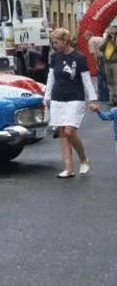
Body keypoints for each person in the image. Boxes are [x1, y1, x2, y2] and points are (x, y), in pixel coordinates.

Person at [44, 27, 100, 178]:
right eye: (53, 42)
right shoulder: (54, 57)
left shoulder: (79, 58)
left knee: (70, 131)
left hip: (75, 97)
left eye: (56, 42)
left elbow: (87, 80)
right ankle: (68, 168)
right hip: (57, 97)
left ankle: (83, 158)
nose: (54, 45)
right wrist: (47, 97)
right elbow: (51, 78)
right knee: (62, 132)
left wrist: (93, 99)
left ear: (65, 41)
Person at [88, 35, 110, 104]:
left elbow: (94, 53)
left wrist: (97, 64)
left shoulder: (91, 41)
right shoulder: (99, 38)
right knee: (106, 77)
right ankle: (107, 95)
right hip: (107, 57)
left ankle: (102, 96)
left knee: (100, 77)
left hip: (100, 59)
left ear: (87, 36)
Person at [103, 27, 117, 106]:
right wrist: (106, 41)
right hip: (107, 63)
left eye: (110, 33)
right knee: (110, 82)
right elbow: (100, 48)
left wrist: (113, 41)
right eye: (108, 33)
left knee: (116, 81)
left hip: (115, 63)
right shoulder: (106, 40)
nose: (109, 35)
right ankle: (113, 99)